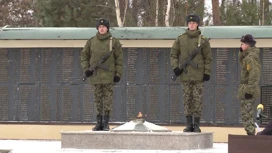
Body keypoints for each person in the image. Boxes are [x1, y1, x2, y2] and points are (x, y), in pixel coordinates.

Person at [170, 14, 212, 132]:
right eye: (190, 23)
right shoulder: (180, 39)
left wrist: (207, 72)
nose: (192, 25)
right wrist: (176, 68)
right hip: (185, 75)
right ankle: (189, 124)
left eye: (194, 23)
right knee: (187, 100)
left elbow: (208, 58)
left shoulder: (202, 40)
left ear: (197, 24)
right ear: (187, 24)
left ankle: (197, 124)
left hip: (198, 76)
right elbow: (173, 54)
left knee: (197, 101)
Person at [80, 18, 123, 131]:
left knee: (107, 101)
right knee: (98, 101)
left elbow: (119, 60)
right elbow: (84, 56)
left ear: (107, 28)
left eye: (104, 27)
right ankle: (99, 123)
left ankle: (106, 123)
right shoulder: (91, 42)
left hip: (108, 77)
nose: (102, 28)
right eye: (100, 27)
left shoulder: (113, 42)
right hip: (96, 77)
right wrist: (87, 70)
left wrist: (117, 74)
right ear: (97, 28)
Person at [237, 34, 261, 135]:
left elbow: (254, 75)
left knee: (247, 115)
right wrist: (242, 53)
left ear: (248, 45)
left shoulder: (251, 58)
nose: (241, 46)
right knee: (246, 115)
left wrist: (249, 91)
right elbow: (242, 62)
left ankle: (251, 137)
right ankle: (250, 136)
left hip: (248, 90)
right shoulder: (248, 56)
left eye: (242, 44)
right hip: (246, 89)